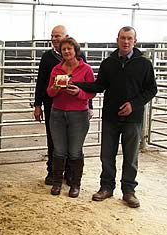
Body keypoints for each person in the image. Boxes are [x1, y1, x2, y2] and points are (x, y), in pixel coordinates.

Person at [74, 26, 157, 208]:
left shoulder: (144, 64)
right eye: (122, 38)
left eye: (129, 38)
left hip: (133, 119)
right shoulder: (108, 63)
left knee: (131, 156)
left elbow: (151, 89)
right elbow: (99, 86)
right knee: (107, 154)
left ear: (135, 41)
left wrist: (133, 105)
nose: (126, 41)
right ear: (117, 39)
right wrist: (76, 84)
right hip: (111, 117)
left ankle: (128, 190)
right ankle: (106, 187)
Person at [34, 25, 92, 186]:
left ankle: (71, 175)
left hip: (76, 106)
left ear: (67, 37)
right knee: (54, 141)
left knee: (74, 144)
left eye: (58, 36)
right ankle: (52, 172)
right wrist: (37, 104)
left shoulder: (81, 59)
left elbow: (88, 85)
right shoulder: (48, 58)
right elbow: (41, 83)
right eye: (52, 36)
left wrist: (90, 105)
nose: (54, 39)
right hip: (53, 104)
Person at [46, 37, 95, 197]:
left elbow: (92, 92)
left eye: (69, 49)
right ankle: (57, 183)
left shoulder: (86, 69)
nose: (66, 51)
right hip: (57, 113)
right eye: (64, 49)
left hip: (79, 114)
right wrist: (55, 87)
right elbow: (49, 93)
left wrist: (79, 93)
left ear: (75, 50)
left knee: (75, 151)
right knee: (59, 151)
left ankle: (75, 184)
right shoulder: (56, 70)